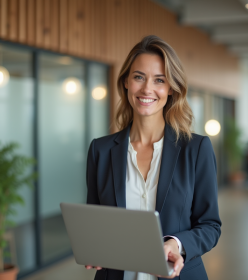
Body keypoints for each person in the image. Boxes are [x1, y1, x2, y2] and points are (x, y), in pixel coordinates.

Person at [85, 35, 221, 280]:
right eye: (139, 77)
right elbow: (96, 223)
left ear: (170, 89)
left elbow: (211, 226)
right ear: (126, 81)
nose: (147, 88)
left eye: (159, 80)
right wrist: (93, 247)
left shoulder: (196, 148)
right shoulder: (100, 150)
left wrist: (176, 243)